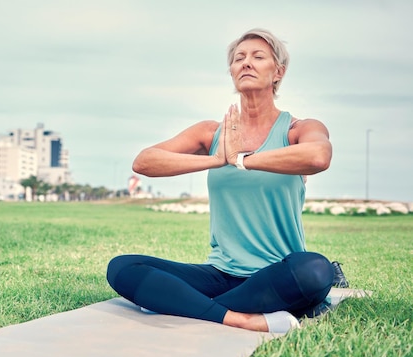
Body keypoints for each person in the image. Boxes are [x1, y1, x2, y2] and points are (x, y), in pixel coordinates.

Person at [106, 28, 337, 333]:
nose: (246, 63)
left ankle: (185, 303)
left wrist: (242, 160)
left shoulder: (297, 129)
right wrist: (216, 159)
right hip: (221, 273)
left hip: (276, 272)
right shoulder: (212, 132)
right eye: (239, 58)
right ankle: (239, 318)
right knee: (123, 267)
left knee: (316, 270)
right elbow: (145, 161)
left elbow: (319, 156)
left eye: (258, 57)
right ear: (231, 71)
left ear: (278, 72)